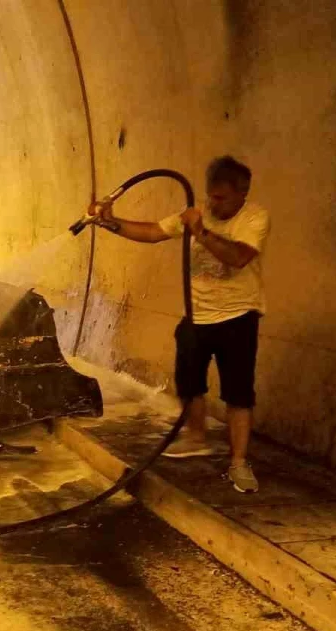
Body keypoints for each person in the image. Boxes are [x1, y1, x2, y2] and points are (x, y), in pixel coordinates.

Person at [89, 156, 269, 493]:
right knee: (189, 382)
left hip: (238, 317)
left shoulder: (254, 218)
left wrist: (200, 232)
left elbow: (239, 257)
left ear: (242, 193)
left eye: (221, 198)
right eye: (210, 196)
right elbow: (153, 231)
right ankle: (196, 437)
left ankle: (239, 463)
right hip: (196, 316)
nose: (213, 203)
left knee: (239, 394)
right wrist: (110, 223)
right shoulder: (197, 212)